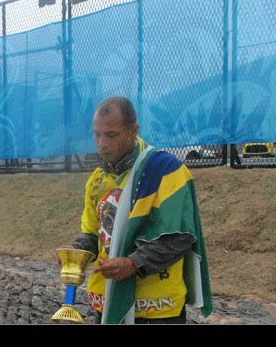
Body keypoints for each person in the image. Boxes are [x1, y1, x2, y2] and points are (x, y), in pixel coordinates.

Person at [58, 96, 212, 324]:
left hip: (155, 311)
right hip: (108, 303)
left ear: (133, 130)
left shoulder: (166, 171)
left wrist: (133, 264)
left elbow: (178, 238)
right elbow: (94, 233)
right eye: (96, 134)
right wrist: (76, 250)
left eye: (111, 135)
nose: (102, 143)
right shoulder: (97, 180)